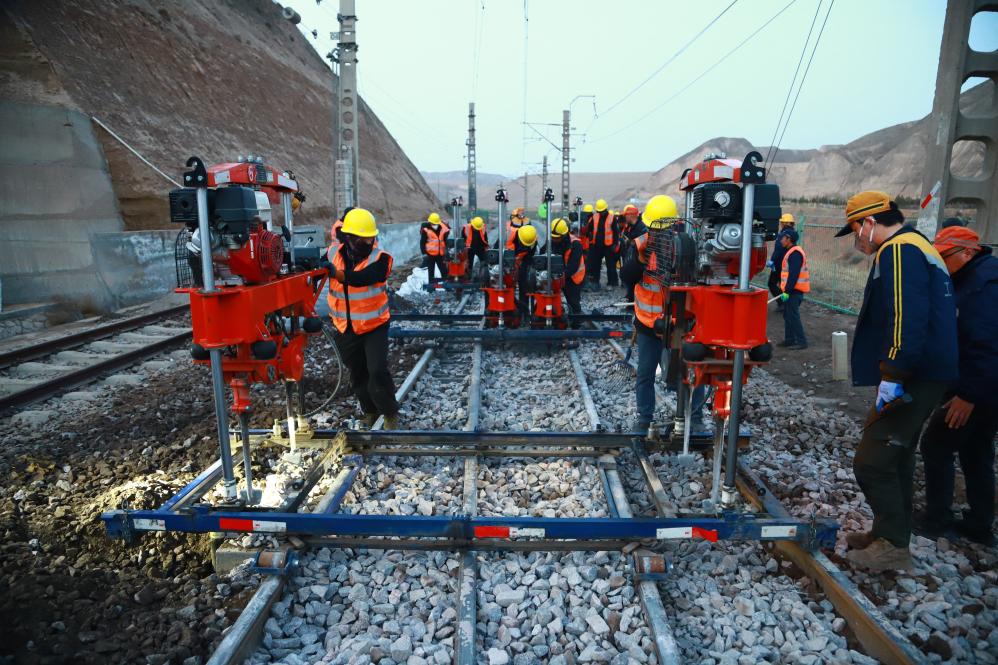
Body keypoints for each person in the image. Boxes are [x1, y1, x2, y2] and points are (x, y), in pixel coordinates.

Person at [833, 191, 958, 571]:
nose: (857, 239)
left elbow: (906, 315)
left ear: (870, 223)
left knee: (872, 460)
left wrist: (894, 374)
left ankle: (892, 546)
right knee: (898, 454)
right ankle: (890, 534)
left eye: (856, 229)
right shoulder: (918, 245)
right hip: (927, 372)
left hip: (914, 375)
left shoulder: (899, 250)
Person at [915, 226, 998, 546]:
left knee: (936, 444)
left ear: (967, 252)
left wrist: (967, 395)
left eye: (944, 256)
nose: (940, 263)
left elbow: (987, 345)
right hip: (984, 387)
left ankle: (938, 519)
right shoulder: (973, 278)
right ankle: (979, 524)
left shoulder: (983, 285)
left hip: (979, 389)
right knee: (977, 450)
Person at [620, 194, 707, 431]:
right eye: (654, 229)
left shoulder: (686, 246)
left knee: (689, 369)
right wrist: (639, 260)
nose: (658, 234)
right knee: (646, 373)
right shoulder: (639, 244)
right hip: (648, 324)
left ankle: (695, 418)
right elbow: (626, 276)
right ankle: (644, 419)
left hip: (679, 323)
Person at [327, 208, 399, 430]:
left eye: (370, 238)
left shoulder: (381, 259)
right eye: (363, 239)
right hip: (345, 327)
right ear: (349, 237)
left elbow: (363, 278)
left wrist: (337, 274)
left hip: (374, 325)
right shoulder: (332, 254)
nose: (368, 242)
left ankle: (390, 413)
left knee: (377, 370)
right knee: (358, 373)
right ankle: (370, 411)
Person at [540, 218, 586, 319]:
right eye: (553, 237)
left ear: (564, 235)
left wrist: (561, 276)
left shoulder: (575, 244)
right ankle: (552, 316)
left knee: (573, 302)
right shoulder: (551, 241)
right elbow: (542, 253)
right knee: (548, 297)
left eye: (557, 238)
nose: (554, 239)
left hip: (573, 277)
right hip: (556, 274)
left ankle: (576, 321)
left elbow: (573, 266)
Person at [778, 228, 809, 350]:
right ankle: (789, 340)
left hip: (794, 291)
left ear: (789, 239)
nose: (781, 240)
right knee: (788, 315)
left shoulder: (795, 253)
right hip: (792, 290)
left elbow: (793, 275)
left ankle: (802, 341)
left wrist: (787, 291)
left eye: (783, 238)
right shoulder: (791, 252)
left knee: (793, 316)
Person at [586, 198, 620, 289]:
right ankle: (595, 282)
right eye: (599, 211)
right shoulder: (594, 217)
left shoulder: (612, 218)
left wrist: (615, 244)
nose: (600, 213)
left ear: (606, 209)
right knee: (596, 265)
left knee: (610, 266)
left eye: (602, 211)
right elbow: (589, 229)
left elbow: (616, 232)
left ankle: (611, 283)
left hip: (609, 246)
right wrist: (589, 235)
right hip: (597, 246)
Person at [618, 204, 647, 303]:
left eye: (626, 215)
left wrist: (631, 242)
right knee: (629, 279)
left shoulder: (641, 227)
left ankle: (634, 302)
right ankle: (630, 298)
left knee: (633, 279)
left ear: (631, 215)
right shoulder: (631, 227)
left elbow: (642, 244)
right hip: (631, 258)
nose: (624, 217)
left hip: (638, 261)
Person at [767, 213, 796, 310]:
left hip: (779, 264)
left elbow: (778, 249)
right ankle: (786, 304)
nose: (781, 224)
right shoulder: (793, 234)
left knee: (771, 284)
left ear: (784, 223)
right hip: (786, 264)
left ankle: (782, 303)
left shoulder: (784, 234)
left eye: (782, 222)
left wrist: (772, 261)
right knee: (783, 286)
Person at [512, 225, 537, 313]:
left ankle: (524, 310)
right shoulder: (508, 237)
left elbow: (529, 258)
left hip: (522, 262)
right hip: (506, 260)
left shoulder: (532, 239)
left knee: (524, 283)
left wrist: (523, 273)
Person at [420, 212, 450, 284]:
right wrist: (424, 254)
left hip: (440, 254)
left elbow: (445, 240)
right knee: (431, 270)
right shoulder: (426, 230)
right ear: (430, 222)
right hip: (430, 254)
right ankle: (431, 285)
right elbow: (422, 242)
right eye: (432, 223)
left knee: (443, 269)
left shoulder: (443, 229)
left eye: (435, 223)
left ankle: (447, 284)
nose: (434, 225)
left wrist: (447, 250)